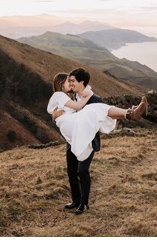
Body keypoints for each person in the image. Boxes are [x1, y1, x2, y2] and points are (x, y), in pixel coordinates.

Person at [47, 68, 147, 214]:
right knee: (71, 172)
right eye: (69, 82)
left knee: (83, 171)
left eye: (72, 81)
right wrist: (54, 115)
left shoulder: (95, 100)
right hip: (72, 139)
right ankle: (75, 200)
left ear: (82, 82)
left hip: (88, 140)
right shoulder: (69, 97)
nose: (71, 84)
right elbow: (60, 110)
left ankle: (84, 203)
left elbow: (101, 116)